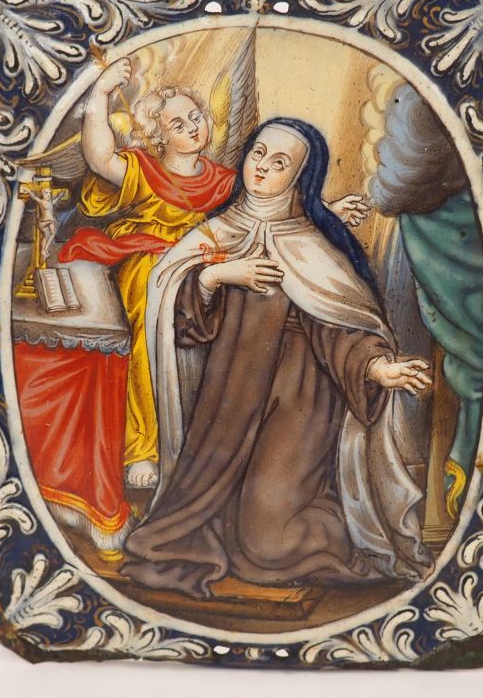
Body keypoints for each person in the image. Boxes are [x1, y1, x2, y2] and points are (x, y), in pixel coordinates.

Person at [120, 118, 431, 599]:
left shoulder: (311, 246)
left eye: (280, 162)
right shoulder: (218, 232)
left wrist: (376, 368)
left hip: (298, 403)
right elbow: (178, 315)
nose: (262, 167)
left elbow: (339, 325)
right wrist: (218, 276)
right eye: (258, 153)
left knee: (269, 543)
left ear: (299, 179)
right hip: (231, 397)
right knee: (191, 528)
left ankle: (345, 524)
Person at [58, 59, 371, 490]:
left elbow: (270, 213)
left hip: (209, 264)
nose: (192, 127)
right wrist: (100, 94)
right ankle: (143, 447)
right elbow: (99, 158)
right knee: (150, 313)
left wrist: (328, 214)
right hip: (150, 263)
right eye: (177, 124)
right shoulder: (145, 170)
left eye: (196, 117)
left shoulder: (225, 181)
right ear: (158, 135)